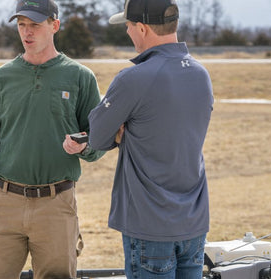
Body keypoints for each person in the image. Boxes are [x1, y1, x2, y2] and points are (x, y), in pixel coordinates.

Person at [0, 0, 105, 278]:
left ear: (55, 26)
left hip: (56, 203)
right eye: (21, 25)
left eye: (35, 25)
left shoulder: (80, 77)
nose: (27, 33)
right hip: (5, 203)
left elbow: (98, 137)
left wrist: (84, 145)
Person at [88, 0, 214, 278]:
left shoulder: (133, 78)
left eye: (129, 26)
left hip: (149, 225)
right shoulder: (201, 75)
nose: (128, 33)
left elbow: (96, 137)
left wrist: (123, 133)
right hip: (193, 222)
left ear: (142, 28)